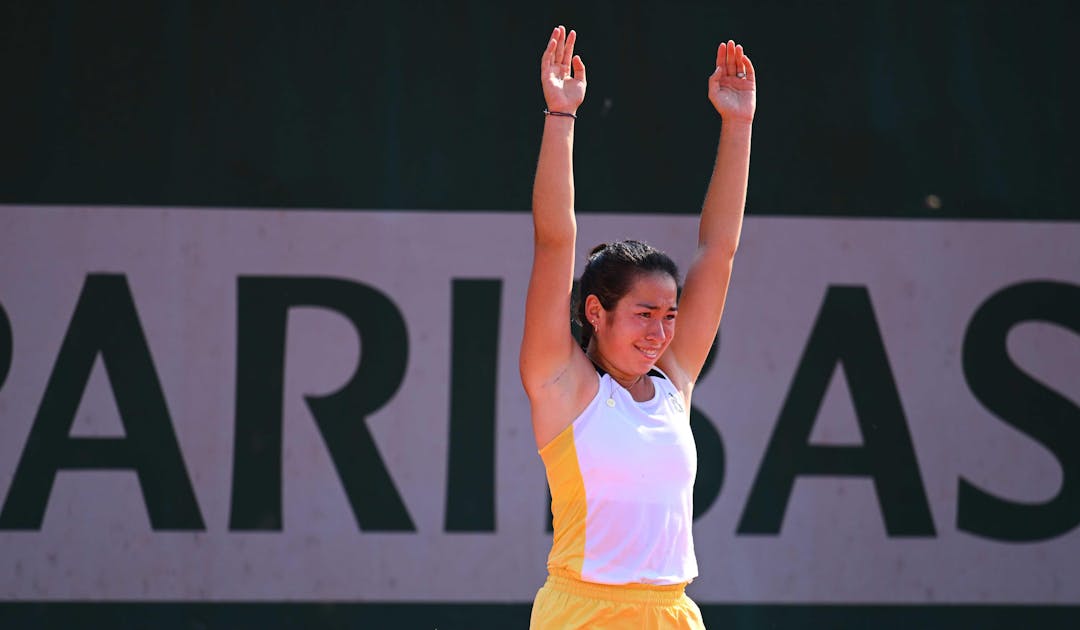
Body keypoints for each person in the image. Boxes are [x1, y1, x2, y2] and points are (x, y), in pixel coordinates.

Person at [519, 24, 755, 630]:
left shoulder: (674, 384)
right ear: (595, 312)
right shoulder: (563, 388)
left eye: (670, 316)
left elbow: (718, 250)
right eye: (644, 315)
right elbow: (554, 241)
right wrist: (560, 115)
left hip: (672, 615)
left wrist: (737, 126)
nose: (660, 332)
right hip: (581, 614)